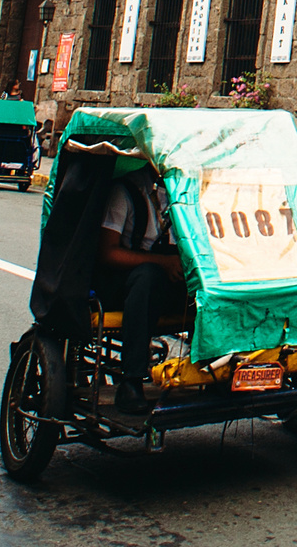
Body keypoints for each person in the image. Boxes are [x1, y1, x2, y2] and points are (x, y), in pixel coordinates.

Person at [96, 163, 185, 413]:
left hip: (170, 278)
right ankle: (131, 381)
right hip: (125, 282)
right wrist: (163, 263)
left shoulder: (185, 193)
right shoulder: (125, 191)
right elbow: (107, 252)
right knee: (148, 277)